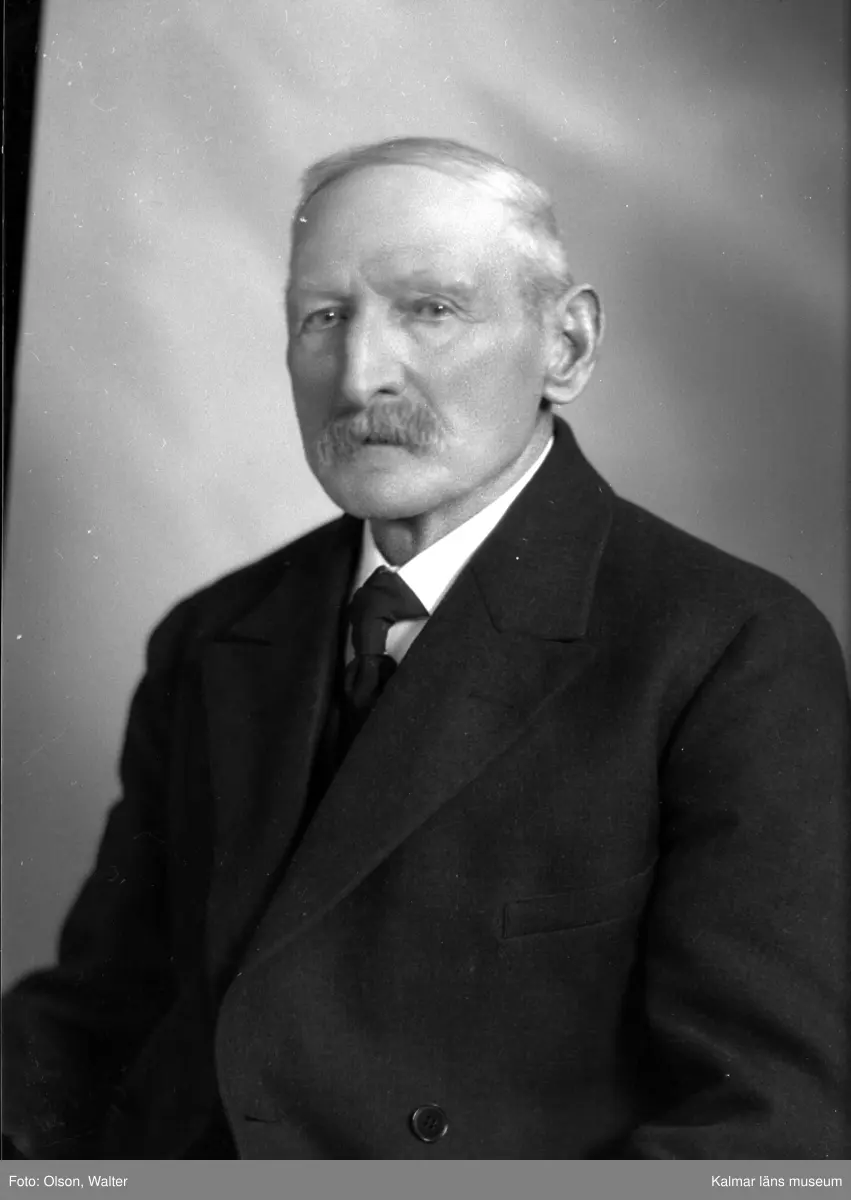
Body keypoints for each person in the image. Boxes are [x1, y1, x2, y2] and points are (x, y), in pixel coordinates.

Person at [3, 136, 849, 1161]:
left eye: (430, 309)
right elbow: (97, 1026)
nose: (359, 375)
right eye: (323, 317)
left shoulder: (729, 649)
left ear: (567, 346)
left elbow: (768, 1132)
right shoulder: (212, 634)